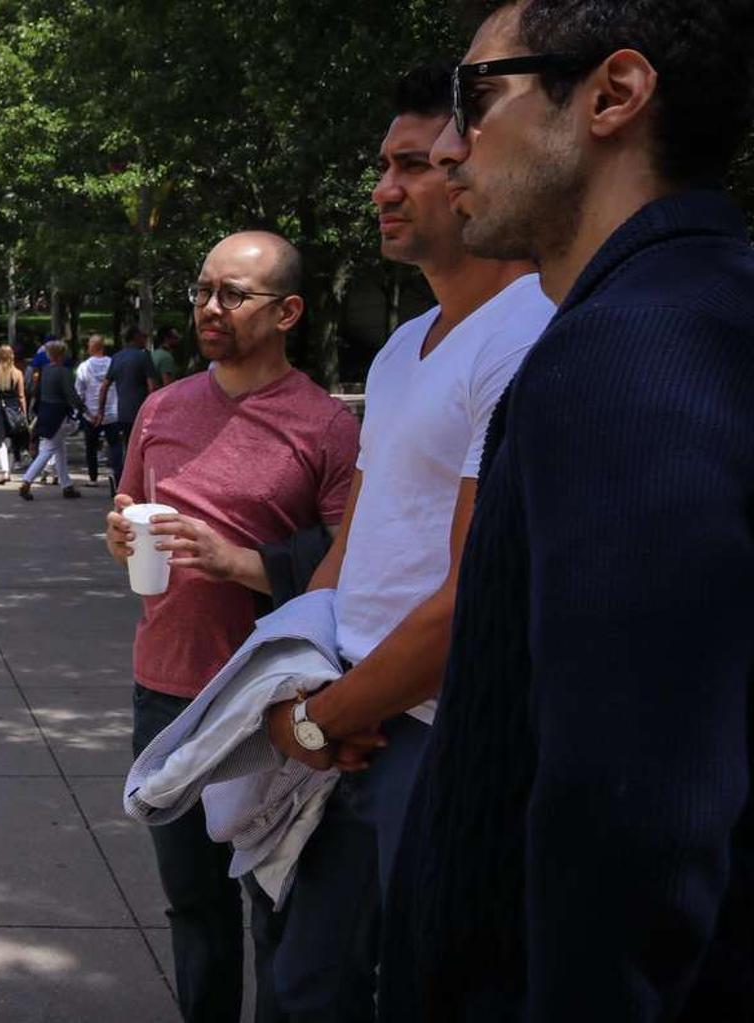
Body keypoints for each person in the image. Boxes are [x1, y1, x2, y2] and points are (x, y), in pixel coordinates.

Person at [382, 3, 754, 1019]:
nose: (451, 144)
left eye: (476, 97)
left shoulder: (631, 355)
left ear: (612, 95)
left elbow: (631, 817)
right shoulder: (694, 312)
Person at [255, 64, 554, 1022]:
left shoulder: (530, 335)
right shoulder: (403, 344)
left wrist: (322, 716)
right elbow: (362, 539)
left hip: (431, 735)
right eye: (383, 165)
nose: (383, 188)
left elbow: (477, 591)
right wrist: (294, 677)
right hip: (348, 719)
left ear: (480, 170)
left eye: (415, 165)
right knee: (307, 987)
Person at [101, 231, 360, 1023]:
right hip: (168, 689)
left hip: (271, 704)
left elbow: (356, 563)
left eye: (232, 295)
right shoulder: (162, 408)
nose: (210, 308)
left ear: (288, 312)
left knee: (276, 906)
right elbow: (130, 512)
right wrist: (120, 539)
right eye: (204, 290)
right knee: (194, 909)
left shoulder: (325, 426)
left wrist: (240, 562)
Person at [18, 340, 82, 500]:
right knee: (48, 450)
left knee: (60, 450)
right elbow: (70, 394)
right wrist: (83, 409)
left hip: (46, 412)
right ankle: (27, 480)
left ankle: (66, 485)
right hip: (59, 414)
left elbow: (37, 392)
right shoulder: (64, 372)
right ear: (61, 354)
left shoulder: (45, 370)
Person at [99, 326, 161, 455]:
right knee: (144, 448)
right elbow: (152, 386)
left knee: (128, 448)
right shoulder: (143, 356)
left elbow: (104, 386)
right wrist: (153, 410)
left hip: (122, 412)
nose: (145, 340)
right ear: (136, 338)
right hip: (141, 411)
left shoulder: (116, 358)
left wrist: (101, 411)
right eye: (143, 337)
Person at [75, 334, 117, 486]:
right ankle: (116, 475)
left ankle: (93, 478)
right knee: (114, 445)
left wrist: (86, 413)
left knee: (91, 447)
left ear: (92, 347)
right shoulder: (113, 364)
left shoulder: (84, 367)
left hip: (91, 414)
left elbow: (78, 392)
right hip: (112, 412)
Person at [0, 344, 28, 485]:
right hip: (13, 408)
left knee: (0, 440)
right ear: (12, 356)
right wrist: (24, 413)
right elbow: (21, 396)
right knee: (12, 439)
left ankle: (4, 471)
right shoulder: (18, 374)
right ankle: (9, 470)